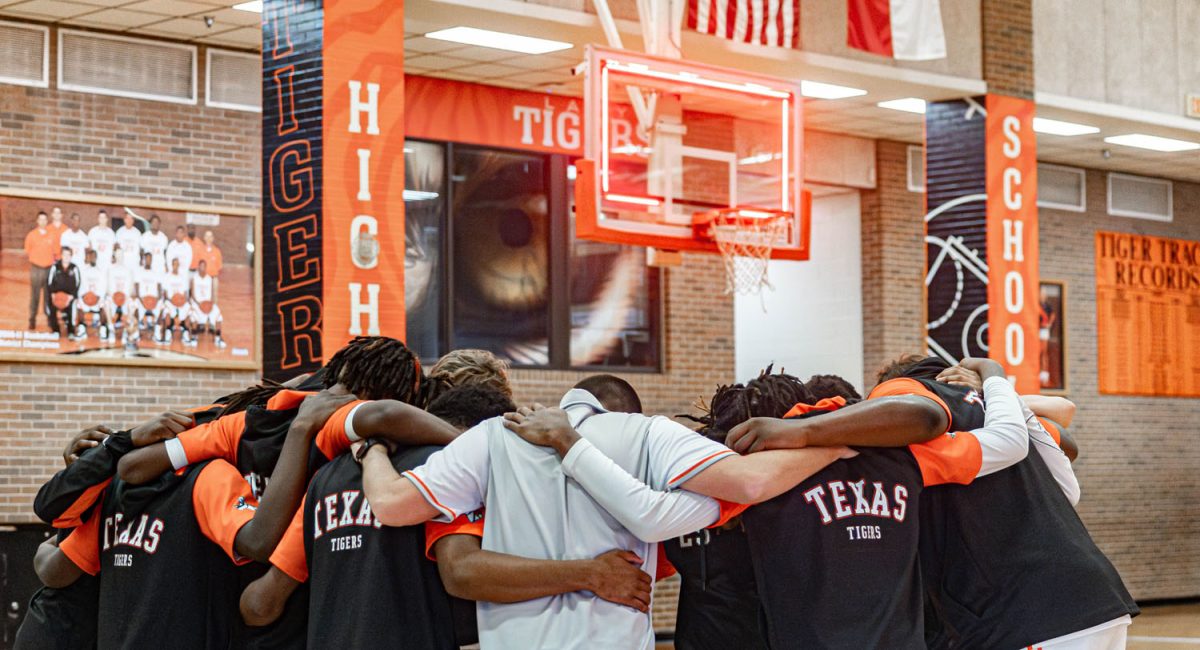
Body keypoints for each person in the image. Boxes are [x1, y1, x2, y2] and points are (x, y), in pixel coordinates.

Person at [355, 373, 851, 649]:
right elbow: (750, 481)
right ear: (623, 410)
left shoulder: (493, 436)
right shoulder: (649, 433)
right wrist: (838, 444)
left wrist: (369, 451)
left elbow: (392, 505)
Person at [749, 354, 1138, 649]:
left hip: (1030, 612)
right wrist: (995, 384)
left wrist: (801, 433)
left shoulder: (907, 396)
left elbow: (919, 415)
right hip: (1093, 594)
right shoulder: (993, 410)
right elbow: (1066, 463)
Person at [31, 392, 353, 650]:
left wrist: (54, 535)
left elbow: (55, 570)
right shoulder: (210, 476)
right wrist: (301, 436)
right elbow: (258, 541)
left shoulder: (114, 482)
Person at [24, 211, 56, 330]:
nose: (42, 222)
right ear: (37, 221)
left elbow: (55, 252)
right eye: (40, 219)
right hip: (36, 268)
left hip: (48, 269)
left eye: (44, 219)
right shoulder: (31, 235)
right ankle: (32, 319)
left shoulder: (52, 235)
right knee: (35, 296)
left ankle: (49, 318)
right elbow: (28, 251)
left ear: (47, 221)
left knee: (48, 297)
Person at [74, 249, 109, 342]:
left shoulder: (101, 271)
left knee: (104, 304)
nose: (92, 258)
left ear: (96, 258)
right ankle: (82, 328)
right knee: (79, 304)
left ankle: (103, 329)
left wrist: (98, 297)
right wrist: (83, 295)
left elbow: (104, 286)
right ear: (88, 258)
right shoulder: (83, 270)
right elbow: (80, 286)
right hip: (86, 298)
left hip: (97, 298)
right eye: (90, 257)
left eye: (94, 257)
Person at [188, 259, 224, 348]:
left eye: (204, 266)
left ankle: (218, 338)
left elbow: (212, 295)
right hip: (197, 303)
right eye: (200, 266)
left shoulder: (209, 278)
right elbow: (192, 294)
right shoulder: (194, 278)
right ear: (198, 267)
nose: (202, 268)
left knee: (219, 316)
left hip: (207, 303)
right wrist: (199, 304)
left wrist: (210, 304)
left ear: (206, 267)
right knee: (193, 317)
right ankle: (194, 337)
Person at [47, 248, 81, 338]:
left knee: (72, 307)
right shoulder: (55, 267)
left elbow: (78, 283)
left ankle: (70, 330)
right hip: (57, 294)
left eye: (68, 255)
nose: (66, 257)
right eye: (64, 254)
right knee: (51, 307)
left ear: (71, 256)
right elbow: (49, 282)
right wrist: (53, 294)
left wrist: (72, 296)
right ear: (61, 255)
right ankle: (55, 330)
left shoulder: (74, 268)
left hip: (69, 296)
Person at [105, 247, 135, 345]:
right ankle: (111, 330)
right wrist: (114, 296)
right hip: (113, 297)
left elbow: (131, 287)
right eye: (117, 255)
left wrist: (125, 297)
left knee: (132, 305)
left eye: (121, 255)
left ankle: (126, 332)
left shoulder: (128, 270)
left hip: (124, 298)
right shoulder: (110, 269)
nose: (119, 257)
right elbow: (108, 287)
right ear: (115, 256)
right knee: (106, 303)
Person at [159, 257, 190, 345]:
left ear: (179, 265)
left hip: (180, 302)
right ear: (172, 265)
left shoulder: (182, 278)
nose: (176, 266)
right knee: (167, 310)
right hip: (170, 301)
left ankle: (185, 332)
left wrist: (181, 301)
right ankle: (168, 331)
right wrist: (173, 300)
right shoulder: (167, 277)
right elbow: (164, 294)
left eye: (177, 264)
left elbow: (185, 294)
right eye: (174, 264)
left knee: (188, 308)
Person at [133, 251, 162, 343]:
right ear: (144, 260)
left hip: (153, 300)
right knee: (135, 306)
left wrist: (156, 300)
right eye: (147, 259)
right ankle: (136, 333)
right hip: (142, 300)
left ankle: (157, 333)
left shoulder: (156, 272)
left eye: (150, 259)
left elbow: (159, 289)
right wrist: (142, 301)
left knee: (161, 306)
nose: (148, 261)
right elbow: (136, 290)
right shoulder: (139, 272)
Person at [194, 230, 223, 301]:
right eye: (207, 236)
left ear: (213, 238)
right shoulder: (200, 250)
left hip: (213, 278)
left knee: (214, 296)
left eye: (210, 236)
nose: (208, 238)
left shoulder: (217, 251)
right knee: (203, 296)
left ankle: (214, 310)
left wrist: (212, 273)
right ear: (204, 238)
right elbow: (197, 265)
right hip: (203, 278)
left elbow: (219, 266)